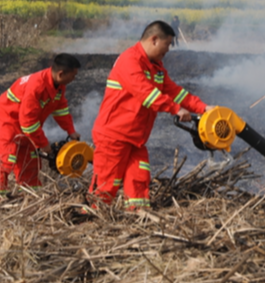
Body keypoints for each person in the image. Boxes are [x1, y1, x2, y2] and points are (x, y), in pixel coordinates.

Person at [89, 20, 215, 212]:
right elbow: (146, 93)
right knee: (106, 186)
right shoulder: (129, 61)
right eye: (167, 45)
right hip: (114, 136)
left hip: (136, 139)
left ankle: (137, 219)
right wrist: (175, 109)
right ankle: (90, 221)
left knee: (139, 181)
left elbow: (176, 93)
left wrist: (204, 108)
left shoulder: (156, 68)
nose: (168, 50)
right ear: (154, 39)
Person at [0, 54, 81, 202]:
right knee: (6, 157)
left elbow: (60, 109)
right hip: (7, 120)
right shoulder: (36, 86)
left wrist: (71, 131)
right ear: (61, 74)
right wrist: (43, 145)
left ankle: (30, 195)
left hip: (27, 123)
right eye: (73, 75)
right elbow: (28, 123)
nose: (74, 79)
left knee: (30, 158)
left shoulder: (59, 86)